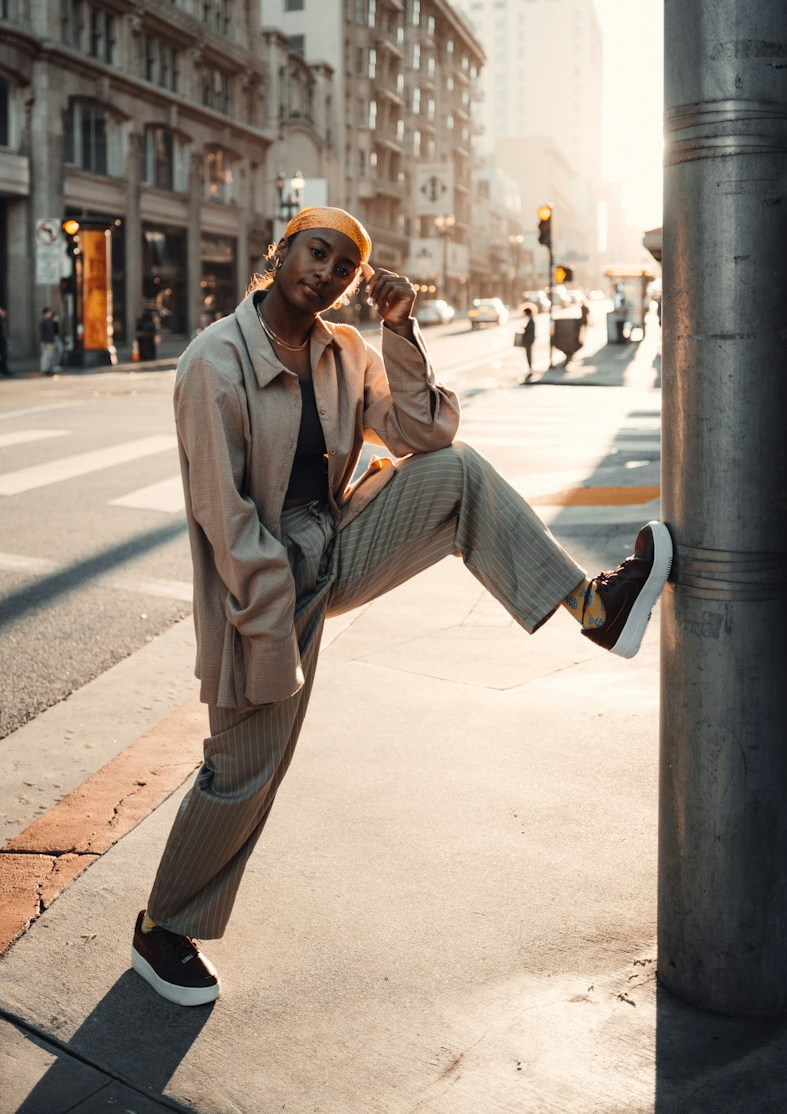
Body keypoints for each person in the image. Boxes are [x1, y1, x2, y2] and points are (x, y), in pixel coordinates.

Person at [131, 207, 673, 1008]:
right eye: (318, 252)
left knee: (457, 472)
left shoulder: (345, 352)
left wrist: (400, 327)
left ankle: (594, 608)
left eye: (346, 267)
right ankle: (162, 931)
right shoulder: (214, 362)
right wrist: (274, 620)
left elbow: (428, 431)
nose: (328, 272)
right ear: (282, 252)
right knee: (245, 768)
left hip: (337, 545)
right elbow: (226, 515)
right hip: (260, 582)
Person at [38, 307, 57, 375]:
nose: (50, 314)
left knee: (50, 356)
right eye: (49, 313)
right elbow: (44, 333)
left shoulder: (50, 321)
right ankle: (44, 369)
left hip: (50, 341)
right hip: (46, 341)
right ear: (45, 314)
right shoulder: (44, 322)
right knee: (45, 356)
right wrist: (45, 342)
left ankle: (48, 369)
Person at [521, 304, 536, 381]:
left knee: (529, 355)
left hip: (529, 341)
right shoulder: (531, 320)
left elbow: (529, 331)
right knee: (528, 355)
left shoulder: (531, 320)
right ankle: (530, 368)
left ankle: (530, 369)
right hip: (529, 340)